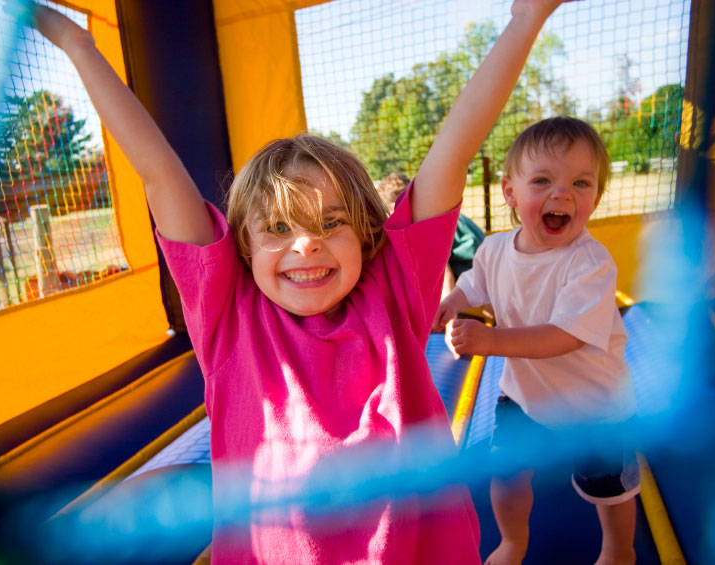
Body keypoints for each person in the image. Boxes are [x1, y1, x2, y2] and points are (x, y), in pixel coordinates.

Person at [30, 1, 571, 562]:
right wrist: (80, 47)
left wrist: (526, 19)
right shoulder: (227, 314)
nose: (306, 244)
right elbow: (158, 171)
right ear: (243, 246)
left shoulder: (393, 289)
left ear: (365, 234)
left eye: (331, 224)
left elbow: (454, 148)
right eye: (279, 228)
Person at [434, 116, 639, 565]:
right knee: (507, 475)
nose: (562, 194)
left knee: (610, 492)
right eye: (543, 180)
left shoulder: (590, 264)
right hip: (524, 396)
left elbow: (562, 336)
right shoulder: (493, 250)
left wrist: (490, 339)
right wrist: (452, 301)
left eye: (581, 183)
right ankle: (512, 542)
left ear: (596, 198)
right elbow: (475, 284)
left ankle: (619, 551)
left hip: (594, 404)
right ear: (511, 191)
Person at [377, 171, 486, 296]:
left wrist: (448, 313)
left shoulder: (422, 224)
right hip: (481, 263)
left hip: (476, 270)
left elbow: (444, 274)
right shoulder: (434, 213)